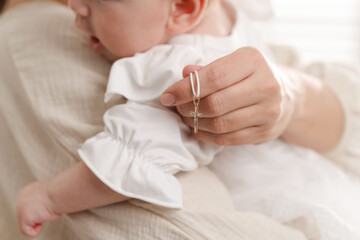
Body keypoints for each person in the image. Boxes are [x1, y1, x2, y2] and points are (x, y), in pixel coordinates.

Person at [5, 0, 359, 239]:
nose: (76, 6)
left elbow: (128, 164)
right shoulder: (233, 17)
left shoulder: (175, 70)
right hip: (325, 185)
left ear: (184, 8)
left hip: (282, 207)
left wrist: (50, 197)